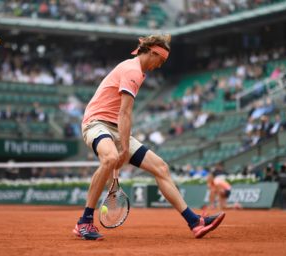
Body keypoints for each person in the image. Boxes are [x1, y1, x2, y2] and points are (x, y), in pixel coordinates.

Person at [73, 34, 225, 241]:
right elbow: (125, 113)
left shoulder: (137, 71)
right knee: (109, 159)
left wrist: (123, 145)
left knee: (161, 167)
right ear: (152, 53)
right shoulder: (132, 71)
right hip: (96, 123)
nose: (160, 66)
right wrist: (124, 149)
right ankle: (84, 221)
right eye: (160, 60)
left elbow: (123, 116)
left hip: (115, 127)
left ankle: (194, 222)